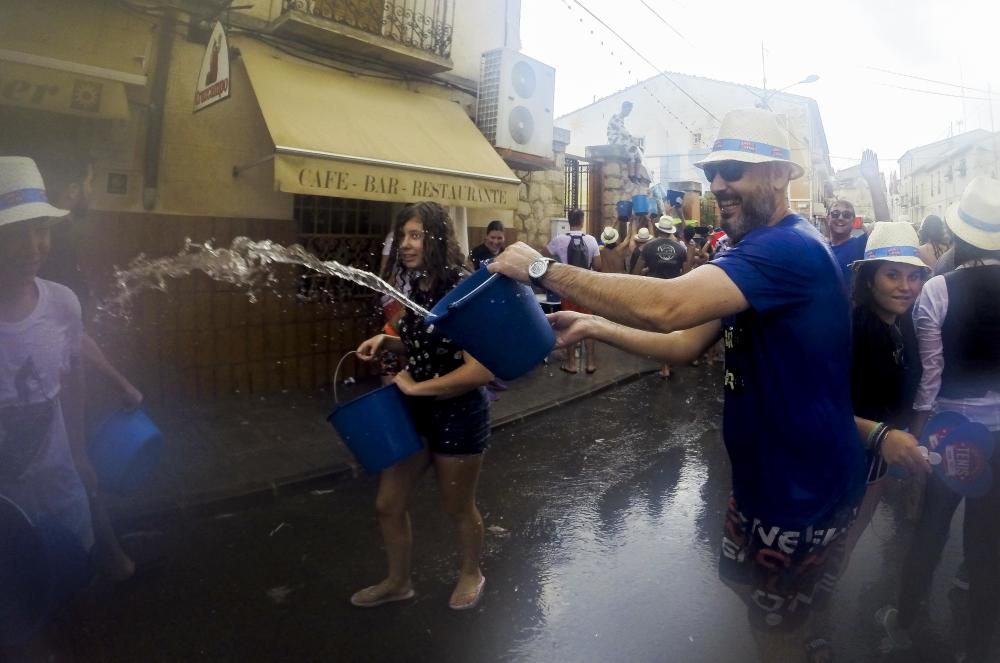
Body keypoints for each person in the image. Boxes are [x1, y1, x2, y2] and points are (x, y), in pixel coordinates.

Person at [490, 109, 927, 662]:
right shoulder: (749, 253)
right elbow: (683, 341)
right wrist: (594, 324)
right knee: (749, 591)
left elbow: (670, 305)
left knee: (776, 634)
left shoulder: (789, 248)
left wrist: (541, 270)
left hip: (800, 491)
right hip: (760, 483)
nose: (717, 183)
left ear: (779, 175)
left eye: (733, 170)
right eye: (714, 170)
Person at [880, 176, 1000, 663]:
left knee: (929, 528)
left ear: (958, 236)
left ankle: (903, 624)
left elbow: (930, 377)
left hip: (951, 432)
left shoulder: (936, 292)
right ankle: (977, 648)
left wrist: (916, 433)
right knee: (987, 546)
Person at [351, 202, 494, 611]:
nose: (406, 245)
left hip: (458, 412)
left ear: (435, 239)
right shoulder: (411, 284)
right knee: (387, 504)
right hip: (414, 412)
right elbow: (423, 342)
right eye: (402, 237)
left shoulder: (461, 288)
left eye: (415, 236)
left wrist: (419, 388)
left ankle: (472, 571)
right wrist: (388, 341)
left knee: (458, 507)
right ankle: (398, 581)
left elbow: (480, 370)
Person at [0, 158, 95, 636]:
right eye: (17, 232)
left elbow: (73, 383)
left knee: (70, 589)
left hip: (59, 486)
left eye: (41, 230)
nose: (34, 246)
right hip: (6, 508)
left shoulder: (62, 304)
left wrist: (79, 453)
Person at [32, 152, 137, 582]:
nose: (90, 190)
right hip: (53, 389)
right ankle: (106, 561)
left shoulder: (51, 244)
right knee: (77, 467)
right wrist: (122, 382)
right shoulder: (55, 248)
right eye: (89, 180)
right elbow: (71, 337)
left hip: (53, 386)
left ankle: (107, 556)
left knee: (74, 469)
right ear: (72, 189)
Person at [843, 222, 928, 557]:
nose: (906, 287)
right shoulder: (854, 328)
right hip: (850, 453)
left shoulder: (901, 321)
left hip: (879, 451)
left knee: (852, 535)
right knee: (839, 539)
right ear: (869, 279)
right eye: (892, 275)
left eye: (913, 276)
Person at [546, 208, 601, 374]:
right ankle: (590, 363)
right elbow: (598, 266)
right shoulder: (591, 240)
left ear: (569, 221)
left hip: (567, 289)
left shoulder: (559, 240)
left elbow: (544, 256)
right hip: (586, 289)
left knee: (569, 324)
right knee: (588, 323)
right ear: (582, 221)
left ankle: (571, 364)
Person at [636, 216, 687, 378]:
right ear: (670, 231)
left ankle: (663, 364)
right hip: (673, 289)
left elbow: (636, 271)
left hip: (654, 290)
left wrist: (646, 272)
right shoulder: (680, 248)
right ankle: (669, 360)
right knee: (671, 326)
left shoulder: (648, 246)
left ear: (658, 230)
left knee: (657, 326)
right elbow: (685, 274)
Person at [829, 149, 891, 281]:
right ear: (827, 218)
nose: (840, 217)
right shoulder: (820, 248)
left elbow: (884, 225)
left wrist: (873, 181)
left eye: (846, 215)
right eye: (835, 214)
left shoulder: (860, 245)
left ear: (853, 221)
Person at [607, 101, 644, 183]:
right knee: (632, 148)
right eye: (628, 111)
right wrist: (632, 138)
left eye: (630, 111)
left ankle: (637, 176)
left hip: (621, 139)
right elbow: (622, 131)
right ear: (623, 108)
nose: (628, 113)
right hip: (614, 139)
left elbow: (624, 132)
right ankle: (631, 175)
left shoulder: (621, 119)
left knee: (638, 151)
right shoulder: (615, 117)